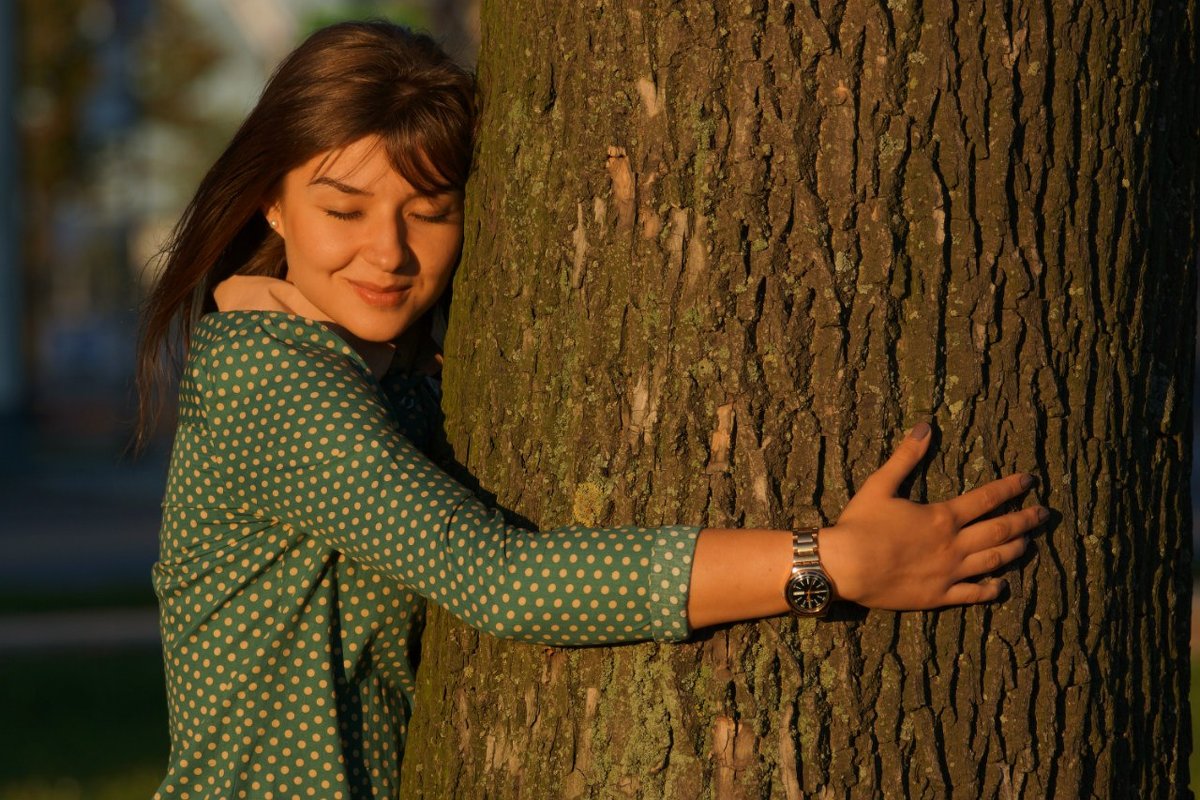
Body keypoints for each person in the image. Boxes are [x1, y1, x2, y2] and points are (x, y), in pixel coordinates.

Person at [135, 20, 1047, 800]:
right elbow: (497, 577)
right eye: (345, 209)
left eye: (431, 210)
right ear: (274, 205)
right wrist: (829, 563)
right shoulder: (270, 379)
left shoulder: (373, 373)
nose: (390, 252)